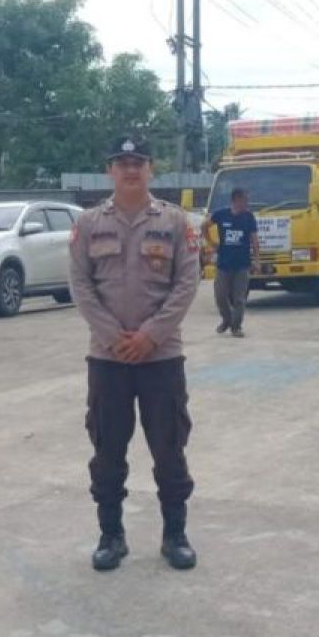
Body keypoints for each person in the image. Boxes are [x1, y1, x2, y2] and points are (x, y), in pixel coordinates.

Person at [68, 135, 202, 572]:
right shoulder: (89, 224)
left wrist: (150, 335)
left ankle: (175, 534)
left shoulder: (175, 221)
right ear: (110, 169)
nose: (130, 169)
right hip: (107, 360)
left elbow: (186, 283)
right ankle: (112, 535)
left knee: (169, 448)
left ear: (151, 169)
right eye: (122, 162)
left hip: (161, 358)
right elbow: (81, 286)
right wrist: (113, 337)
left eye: (138, 162)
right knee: (107, 449)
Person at [202, 188, 259, 337]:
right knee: (220, 295)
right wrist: (212, 243)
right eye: (245, 200)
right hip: (224, 263)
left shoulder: (249, 217)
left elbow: (254, 239)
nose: (247, 203)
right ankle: (227, 319)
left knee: (239, 298)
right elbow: (204, 226)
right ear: (236, 200)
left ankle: (236, 326)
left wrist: (257, 260)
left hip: (242, 264)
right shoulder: (221, 214)